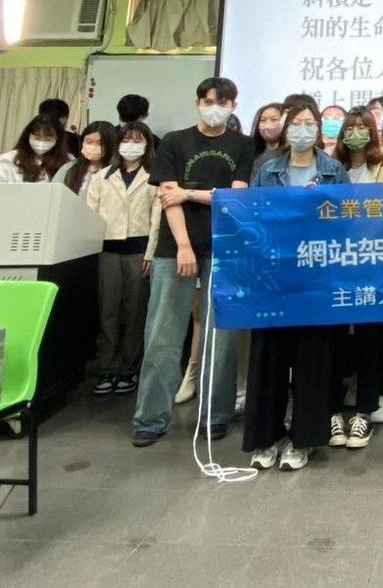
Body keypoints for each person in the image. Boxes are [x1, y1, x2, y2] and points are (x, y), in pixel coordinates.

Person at [131, 77, 252, 448]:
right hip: (175, 247)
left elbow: (235, 198)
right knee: (163, 336)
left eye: (222, 101)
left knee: (221, 336)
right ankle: (150, 418)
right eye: (208, 100)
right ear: (197, 102)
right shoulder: (174, 142)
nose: (214, 106)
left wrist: (189, 192)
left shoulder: (243, 145)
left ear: (233, 105)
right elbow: (169, 198)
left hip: (223, 249)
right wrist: (183, 245)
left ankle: (215, 415)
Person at [243, 100, 342, 471]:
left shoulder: (333, 170)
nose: (303, 128)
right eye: (296, 123)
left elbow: (344, 222)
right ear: (285, 131)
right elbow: (251, 218)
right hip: (274, 275)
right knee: (268, 356)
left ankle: (304, 440)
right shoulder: (267, 170)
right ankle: (265, 438)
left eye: (309, 123)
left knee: (311, 359)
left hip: (316, 276)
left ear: (318, 130)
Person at [327, 107, 383, 447]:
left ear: (372, 131)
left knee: (371, 337)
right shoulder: (328, 165)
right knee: (336, 338)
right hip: (334, 266)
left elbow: (382, 213)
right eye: (350, 127)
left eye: (362, 126)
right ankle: (335, 410)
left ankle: (364, 411)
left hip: (371, 264)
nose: (355, 132)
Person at [86, 121, 161, 396]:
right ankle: (107, 367)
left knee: (135, 311)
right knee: (108, 311)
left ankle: (129, 368)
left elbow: (157, 220)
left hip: (139, 251)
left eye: (137, 139)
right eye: (126, 139)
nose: (131, 144)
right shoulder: (103, 176)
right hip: (107, 249)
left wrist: (151, 253)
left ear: (147, 144)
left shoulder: (154, 175)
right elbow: (90, 214)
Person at [0, 115, 71, 183]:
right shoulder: (7, 161)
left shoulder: (66, 164)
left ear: (58, 140)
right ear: (28, 135)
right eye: (37, 137)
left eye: (48, 139)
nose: (41, 142)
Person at [55, 121, 117, 196]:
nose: (93, 147)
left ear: (110, 146)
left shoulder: (116, 175)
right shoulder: (68, 169)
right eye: (89, 142)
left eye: (100, 143)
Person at [250, 102, 286, 171]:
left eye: (274, 119)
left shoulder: (291, 155)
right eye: (263, 120)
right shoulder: (252, 156)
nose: (267, 124)